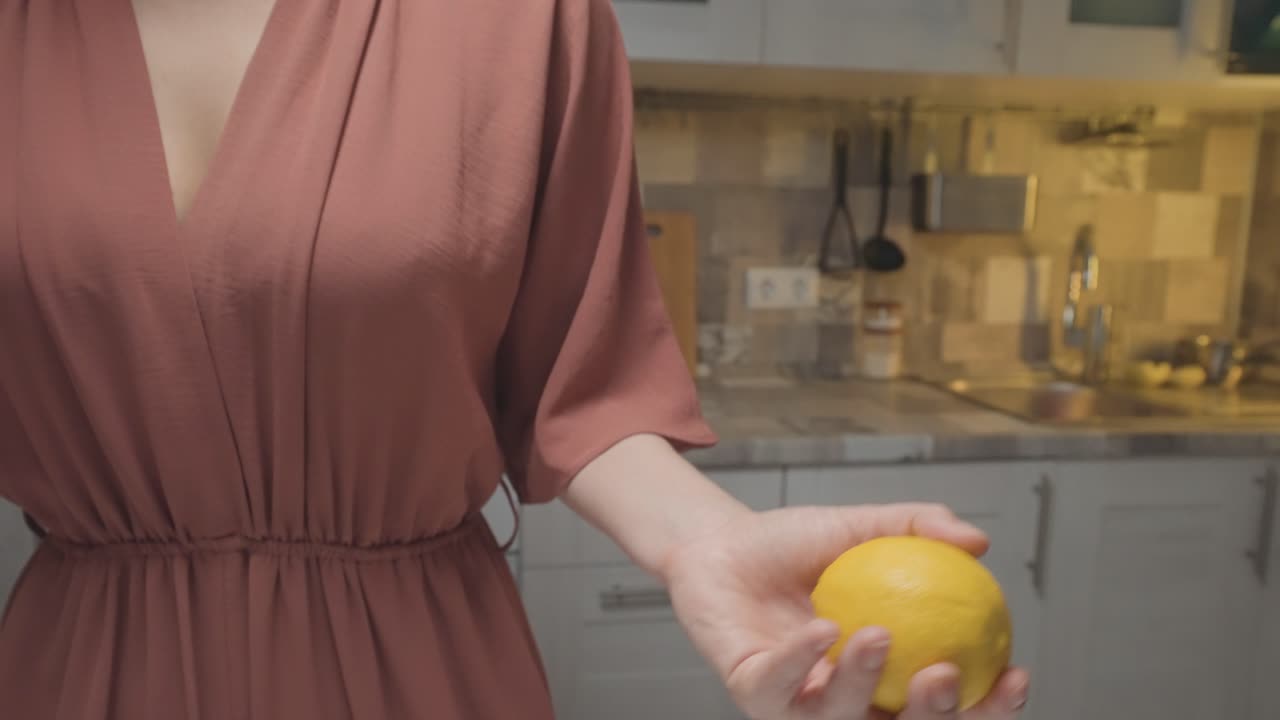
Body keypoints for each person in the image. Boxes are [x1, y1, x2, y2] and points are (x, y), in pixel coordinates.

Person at [0, 1, 1029, 718]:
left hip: (414, 670)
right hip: (80, 671)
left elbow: (577, 390)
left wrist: (707, 544)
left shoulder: (525, 20)